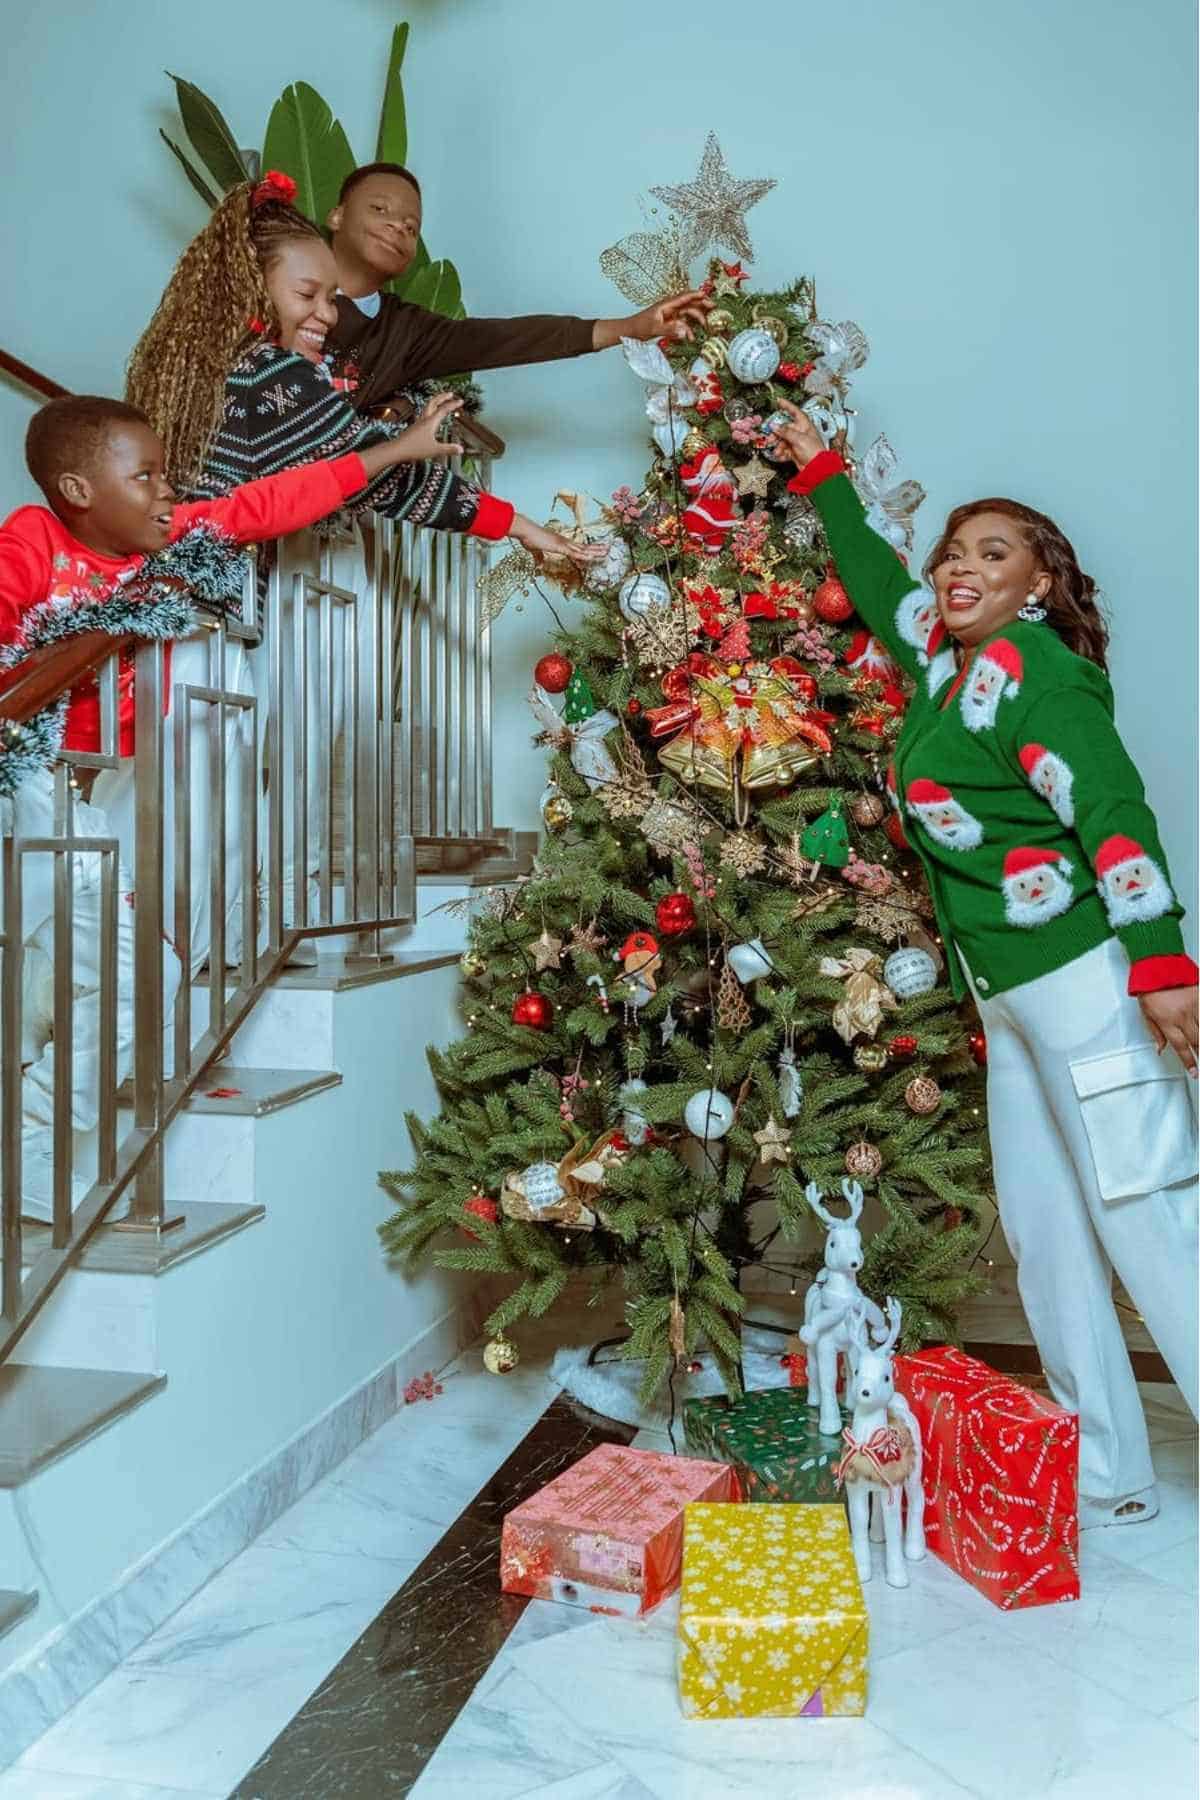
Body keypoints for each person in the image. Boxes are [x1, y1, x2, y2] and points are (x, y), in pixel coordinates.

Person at [770, 397, 1198, 1529]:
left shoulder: (1034, 672)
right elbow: (878, 581)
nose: (960, 567)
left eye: (992, 553)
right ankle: (1107, 1471)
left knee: (1153, 1230)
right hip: (1007, 1002)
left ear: (1037, 584)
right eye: (954, 551)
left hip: (1087, 982)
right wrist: (819, 470)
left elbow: (1113, 810)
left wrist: (1162, 965)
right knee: (1049, 1238)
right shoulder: (949, 669)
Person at [0, 393, 469, 1216]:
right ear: (77, 491)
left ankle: (29, 1142)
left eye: (164, 474)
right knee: (72, 961)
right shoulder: (30, 541)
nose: (167, 490)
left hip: (76, 796)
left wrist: (395, 452)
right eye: (144, 476)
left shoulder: (170, 540)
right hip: (24, 779)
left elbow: (266, 502)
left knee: (140, 975)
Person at [123, 173, 599, 975]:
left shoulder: (210, 368)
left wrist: (500, 515)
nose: (326, 314)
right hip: (228, 607)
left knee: (199, 787)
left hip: (193, 606)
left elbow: (348, 471)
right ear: (255, 289)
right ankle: (221, 944)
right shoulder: (274, 373)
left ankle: (192, 948)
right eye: (307, 295)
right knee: (251, 776)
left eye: (331, 298)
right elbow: (377, 476)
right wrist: (517, 524)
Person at [324, 161, 711, 413]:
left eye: (412, 227)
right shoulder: (289, 288)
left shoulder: (407, 333)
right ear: (337, 216)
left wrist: (631, 327)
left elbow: (509, 339)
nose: (397, 226)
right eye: (379, 209)